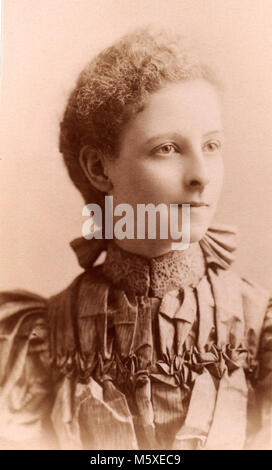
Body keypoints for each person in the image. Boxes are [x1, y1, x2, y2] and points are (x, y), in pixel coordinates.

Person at [0, 27, 271, 450]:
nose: (201, 175)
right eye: (167, 149)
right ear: (99, 169)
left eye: (212, 145)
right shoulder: (46, 335)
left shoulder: (256, 326)